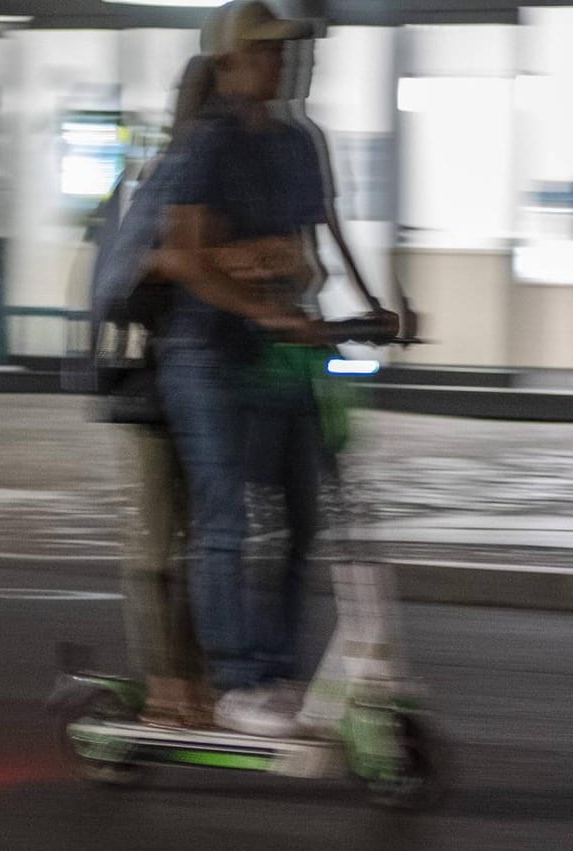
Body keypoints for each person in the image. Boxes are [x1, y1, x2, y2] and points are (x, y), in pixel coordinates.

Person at [152, 0, 393, 737]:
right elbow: (186, 258)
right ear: (228, 63)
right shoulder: (205, 146)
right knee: (226, 518)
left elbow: (324, 234)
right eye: (263, 50)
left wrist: (382, 302)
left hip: (281, 354)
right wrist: (264, 305)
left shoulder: (297, 142)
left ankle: (279, 671)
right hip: (208, 355)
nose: (279, 60)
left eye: (283, 49)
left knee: (301, 517)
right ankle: (237, 682)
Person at [90, 56, 221, 728]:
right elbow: (117, 281)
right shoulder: (163, 178)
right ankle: (167, 680)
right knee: (157, 543)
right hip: (156, 390)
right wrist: (177, 264)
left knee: (205, 543)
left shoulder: (224, 181)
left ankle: (193, 679)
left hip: (211, 385)